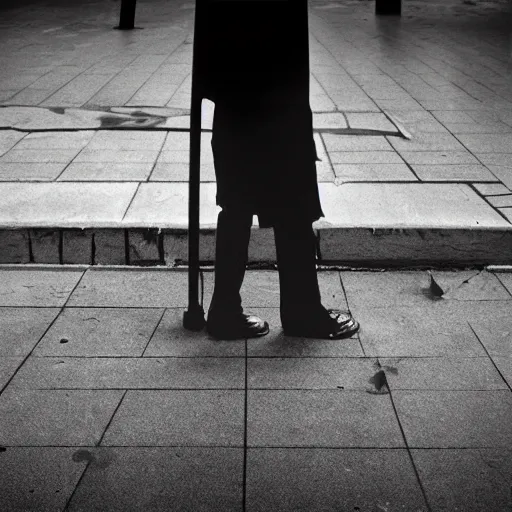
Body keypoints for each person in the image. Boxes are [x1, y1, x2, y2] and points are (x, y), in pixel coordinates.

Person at [194, 0, 359, 340]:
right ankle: (301, 310)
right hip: (276, 84)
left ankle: (224, 308)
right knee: (293, 199)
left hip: (235, 87)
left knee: (237, 200)